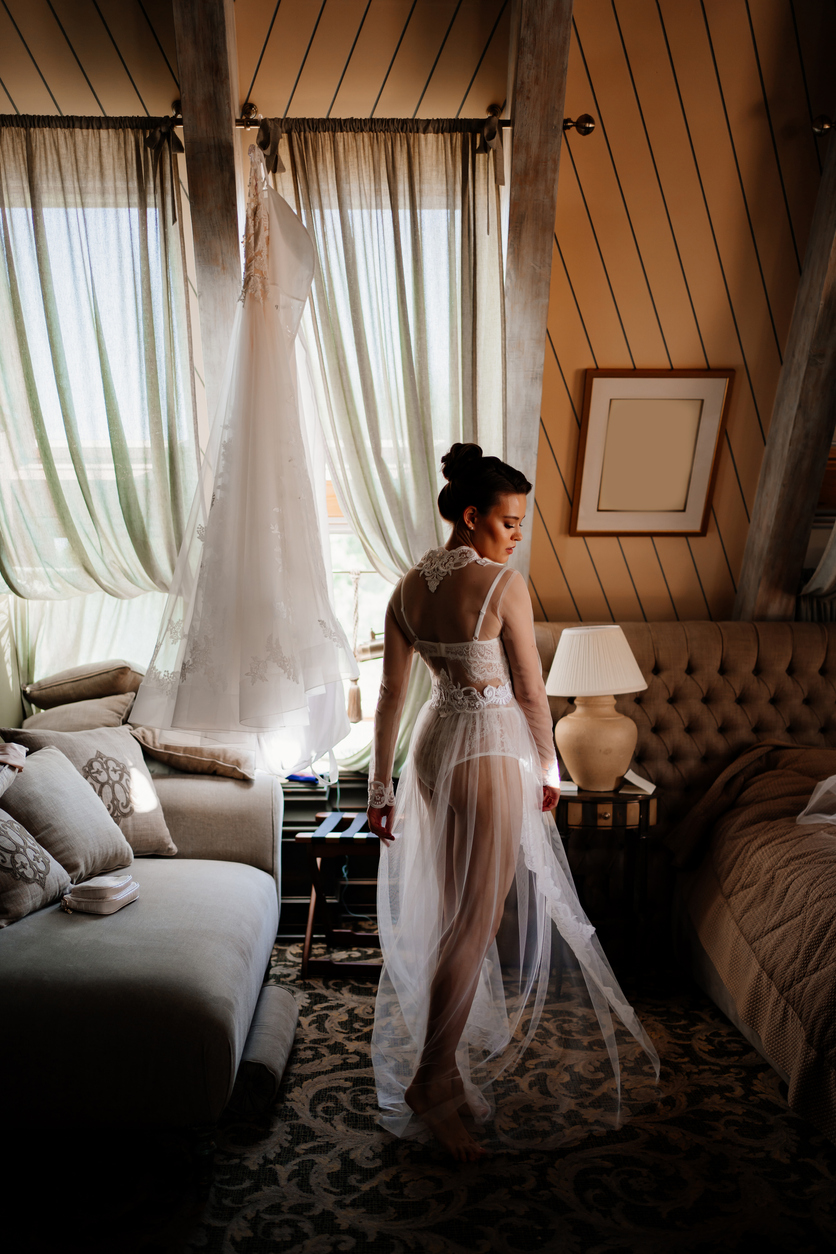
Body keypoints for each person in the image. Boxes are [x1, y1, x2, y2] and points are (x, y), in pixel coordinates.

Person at [366, 444, 659, 1161]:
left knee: (458, 915)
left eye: (520, 522)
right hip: (489, 750)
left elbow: (391, 698)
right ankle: (432, 1082)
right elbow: (532, 692)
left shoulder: (406, 587)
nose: (516, 534)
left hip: (433, 751)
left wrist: (382, 787)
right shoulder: (503, 585)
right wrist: (549, 767)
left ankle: (441, 1069)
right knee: (476, 919)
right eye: (507, 521)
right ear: (470, 519)